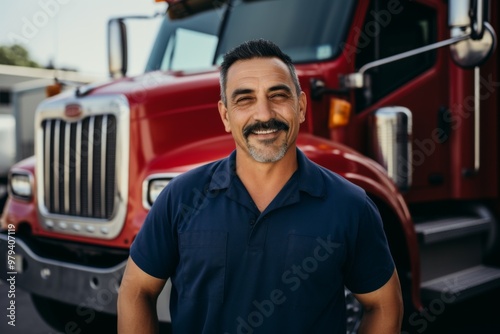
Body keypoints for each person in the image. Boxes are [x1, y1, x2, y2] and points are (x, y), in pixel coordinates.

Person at [117, 39, 403, 333]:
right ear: (226, 116)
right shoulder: (180, 197)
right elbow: (137, 291)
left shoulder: (350, 205)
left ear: (301, 106)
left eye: (278, 96)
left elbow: (383, 305)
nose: (264, 115)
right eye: (245, 99)